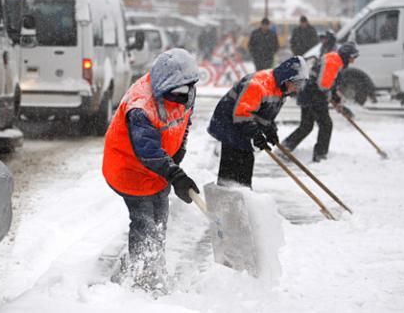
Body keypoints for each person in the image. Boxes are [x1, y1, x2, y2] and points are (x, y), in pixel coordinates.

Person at [102, 48, 199, 292]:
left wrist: (177, 157)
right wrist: (175, 174)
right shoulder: (141, 107)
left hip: (158, 168)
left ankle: (154, 266)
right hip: (128, 169)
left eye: (186, 92)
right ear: (164, 87)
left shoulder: (186, 91)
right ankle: (139, 278)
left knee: (160, 219)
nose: (184, 98)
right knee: (144, 221)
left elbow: (184, 124)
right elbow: (147, 151)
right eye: (177, 95)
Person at [207, 56, 309, 188]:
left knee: (245, 159)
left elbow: (265, 114)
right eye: (296, 84)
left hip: (242, 121)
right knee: (236, 158)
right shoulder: (257, 84)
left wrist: (270, 131)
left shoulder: (281, 90)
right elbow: (242, 114)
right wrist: (256, 135)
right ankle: (228, 192)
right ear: (287, 78)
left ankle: (241, 192)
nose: (297, 88)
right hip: (228, 122)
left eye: (300, 85)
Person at [281, 42, 360, 162]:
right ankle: (320, 155)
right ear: (346, 56)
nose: (352, 61)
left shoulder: (334, 59)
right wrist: (332, 98)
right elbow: (323, 85)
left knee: (306, 126)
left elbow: (329, 83)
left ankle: (285, 147)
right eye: (352, 58)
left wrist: (336, 100)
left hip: (308, 93)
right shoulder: (334, 61)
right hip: (314, 96)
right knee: (326, 125)